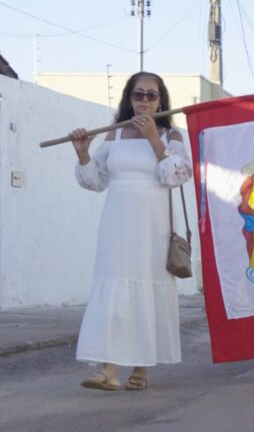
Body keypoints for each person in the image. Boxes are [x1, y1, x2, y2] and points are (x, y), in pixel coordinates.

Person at [68, 72, 192, 392]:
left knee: (146, 288)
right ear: (129, 98)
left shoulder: (172, 135)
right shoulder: (115, 134)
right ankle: (109, 370)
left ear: (161, 100)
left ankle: (141, 367)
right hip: (117, 223)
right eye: (139, 94)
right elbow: (95, 181)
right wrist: (83, 153)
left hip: (153, 226)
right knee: (114, 287)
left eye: (152, 95)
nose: (145, 100)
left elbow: (177, 176)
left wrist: (154, 139)